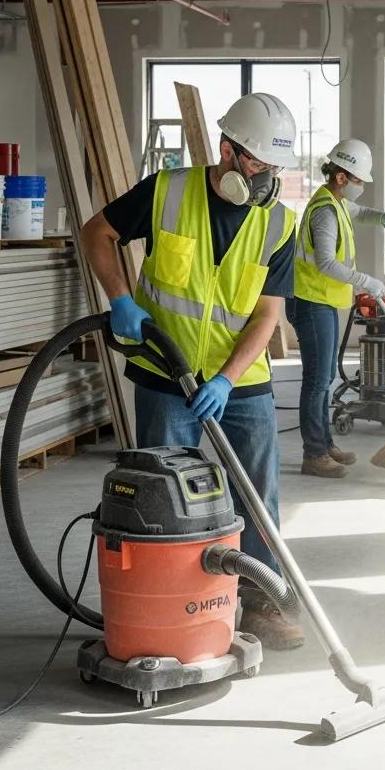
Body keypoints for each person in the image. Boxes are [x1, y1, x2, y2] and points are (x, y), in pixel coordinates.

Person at [81, 92, 305, 650]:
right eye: (256, 163)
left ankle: (258, 601)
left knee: (256, 496)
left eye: (275, 167)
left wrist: (228, 377)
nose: (265, 178)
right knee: (164, 500)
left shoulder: (278, 222)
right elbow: (96, 234)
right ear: (227, 151)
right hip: (165, 374)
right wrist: (120, 299)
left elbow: (267, 314)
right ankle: (171, 608)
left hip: (243, 385)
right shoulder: (167, 191)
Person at [290, 139, 385, 478]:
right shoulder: (325, 211)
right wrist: (366, 281)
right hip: (311, 302)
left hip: (322, 301)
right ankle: (314, 454)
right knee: (316, 381)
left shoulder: (337, 202)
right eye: (358, 180)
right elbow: (326, 262)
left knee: (324, 378)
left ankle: (325, 446)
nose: (361, 186)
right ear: (341, 177)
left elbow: (361, 213)